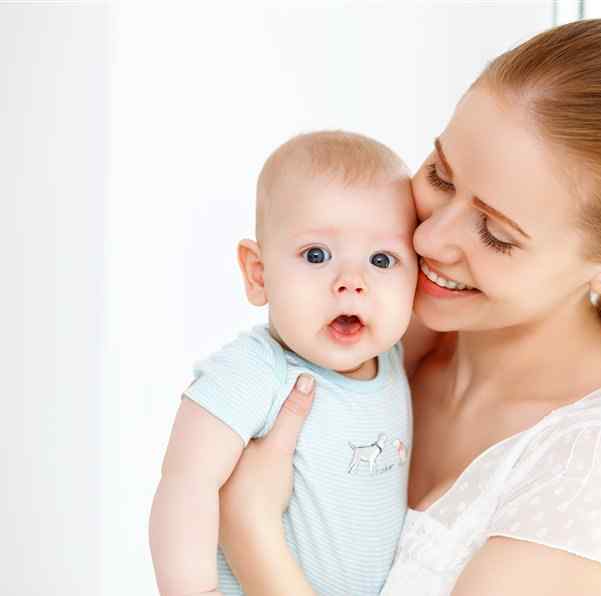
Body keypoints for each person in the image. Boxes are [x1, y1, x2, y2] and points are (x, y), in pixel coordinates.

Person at [215, 18, 601, 596]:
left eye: (496, 234)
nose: (427, 241)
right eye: (440, 176)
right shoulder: (387, 329)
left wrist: (250, 530)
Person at [150, 130, 422, 596]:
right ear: (259, 274)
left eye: (382, 259)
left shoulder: (394, 361)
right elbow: (184, 484)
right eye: (316, 255)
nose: (351, 282)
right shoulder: (255, 371)